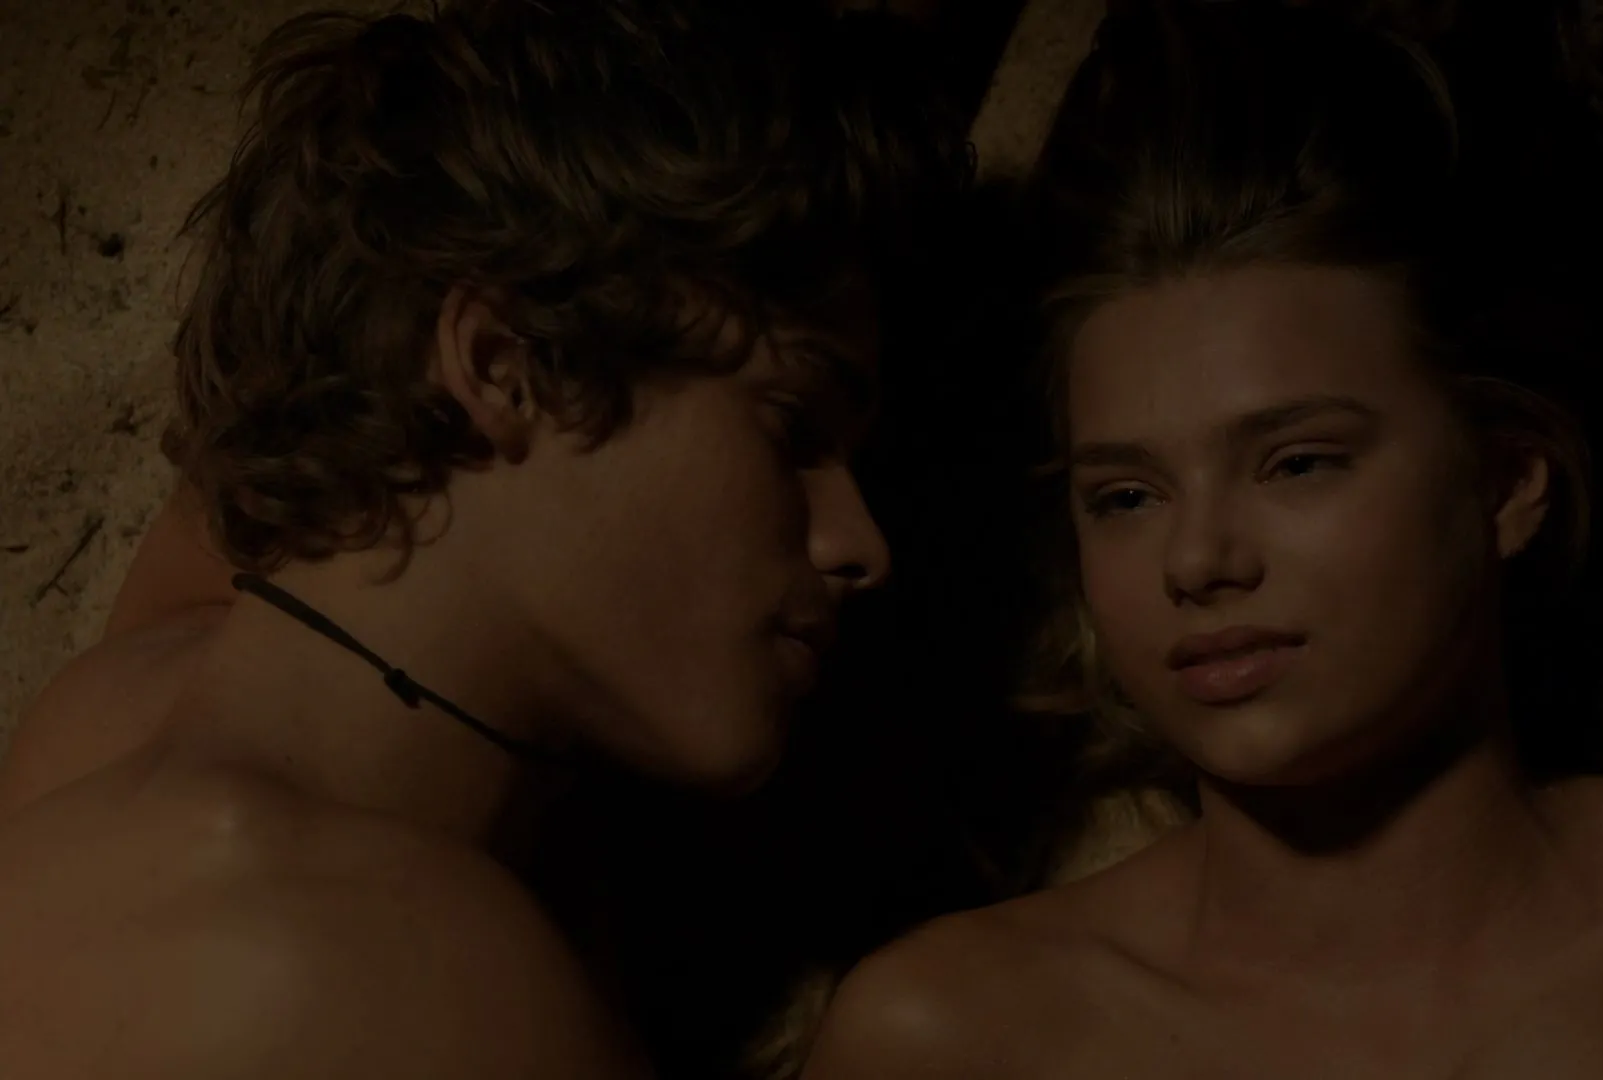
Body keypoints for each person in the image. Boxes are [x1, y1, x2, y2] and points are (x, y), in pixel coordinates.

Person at [800, 4, 1603, 1078]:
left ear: (1507, 482)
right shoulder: (955, 1041)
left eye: (1298, 463)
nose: (1197, 562)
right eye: (1128, 496)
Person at [0, 0, 964, 1074]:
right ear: (506, 367)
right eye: (792, 431)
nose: (860, 544)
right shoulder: (429, 989)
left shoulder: (115, 712)